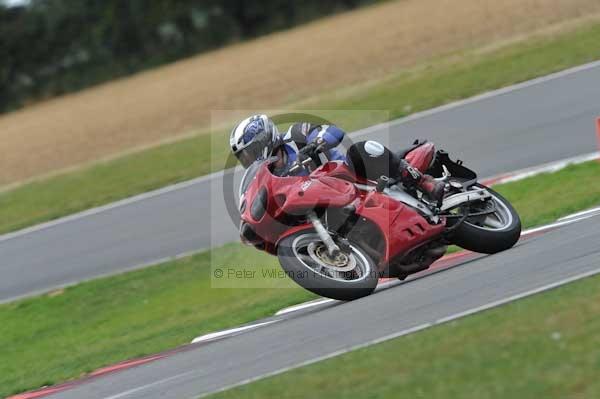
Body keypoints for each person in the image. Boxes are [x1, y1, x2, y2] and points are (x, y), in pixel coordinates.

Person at [229, 114, 445, 205]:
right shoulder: (268, 176)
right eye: (244, 157)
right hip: (324, 201)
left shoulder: (296, 135)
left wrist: (316, 144)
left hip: (350, 177)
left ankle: (423, 181)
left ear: (265, 139)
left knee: (359, 150)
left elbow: (333, 131)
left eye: (252, 151)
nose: (250, 159)